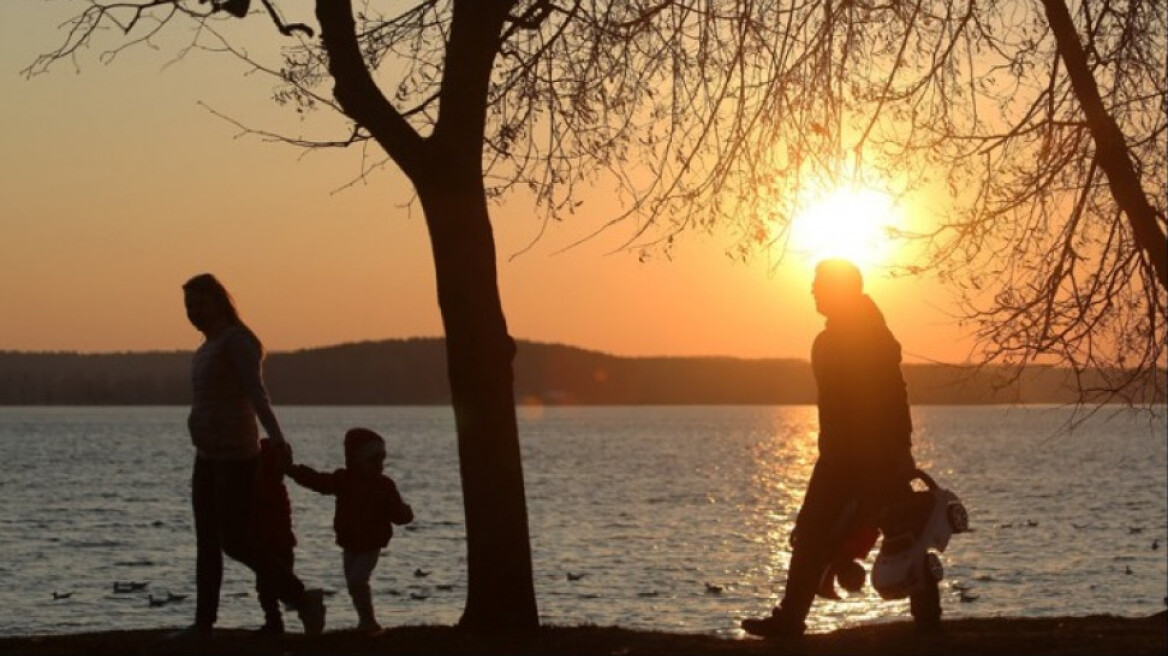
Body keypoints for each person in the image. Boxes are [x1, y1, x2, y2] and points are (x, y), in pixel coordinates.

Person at [741, 258, 941, 638]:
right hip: (836, 457)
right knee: (810, 532)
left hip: (876, 455)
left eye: (820, 285)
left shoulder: (871, 335)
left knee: (903, 528)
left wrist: (900, 448)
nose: (813, 290)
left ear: (839, 290)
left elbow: (893, 395)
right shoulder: (829, 339)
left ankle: (928, 617)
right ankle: (790, 619)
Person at [178, 273, 326, 638]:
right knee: (207, 541)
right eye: (189, 306)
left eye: (200, 304)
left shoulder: (237, 342)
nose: (194, 312)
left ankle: (302, 597)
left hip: (235, 455)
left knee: (234, 539)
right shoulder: (206, 347)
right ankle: (203, 623)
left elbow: (257, 395)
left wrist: (278, 440)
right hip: (206, 454)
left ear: (218, 302)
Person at [289, 427, 414, 636]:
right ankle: (365, 620)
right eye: (372, 461)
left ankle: (369, 621)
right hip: (349, 542)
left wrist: (406, 513)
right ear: (355, 460)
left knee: (357, 581)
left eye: (380, 461)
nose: (378, 466)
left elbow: (397, 512)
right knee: (354, 584)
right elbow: (319, 481)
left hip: (371, 543)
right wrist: (294, 471)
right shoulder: (344, 479)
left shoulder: (384, 485)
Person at [251, 437, 297, 635]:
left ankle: (277, 620)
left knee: (270, 587)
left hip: (272, 545)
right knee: (269, 587)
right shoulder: (274, 487)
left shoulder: (265, 488)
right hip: (279, 544)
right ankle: (274, 621)